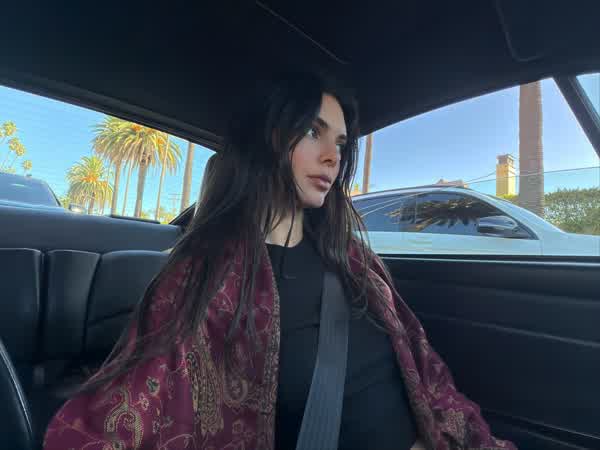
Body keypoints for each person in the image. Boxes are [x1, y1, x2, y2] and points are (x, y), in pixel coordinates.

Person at [43, 72, 516, 450]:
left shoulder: (352, 258)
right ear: (270, 137)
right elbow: (129, 412)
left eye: (341, 143)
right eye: (313, 132)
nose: (332, 157)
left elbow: (426, 373)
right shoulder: (204, 274)